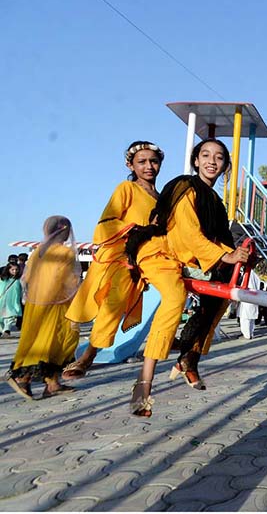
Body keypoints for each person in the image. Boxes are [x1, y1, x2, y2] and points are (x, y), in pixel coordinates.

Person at [124, 138, 250, 417]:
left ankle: (189, 358)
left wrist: (237, 256)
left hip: (189, 256)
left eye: (218, 157)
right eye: (205, 155)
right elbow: (188, 233)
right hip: (161, 252)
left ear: (225, 165)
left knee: (221, 294)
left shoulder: (215, 201)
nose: (211, 161)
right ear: (195, 161)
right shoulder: (186, 186)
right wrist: (225, 256)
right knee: (175, 299)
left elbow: (218, 239)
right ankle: (143, 385)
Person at [63, 140, 163, 379]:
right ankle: (87, 357)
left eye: (153, 161)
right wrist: (139, 229)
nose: (149, 166)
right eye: (142, 162)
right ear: (131, 165)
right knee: (112, 307)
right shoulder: (126, 189)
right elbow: (107, 223)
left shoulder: (163, 198)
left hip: (153, 259)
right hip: (124, 258)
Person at [5, 216, 81, 400]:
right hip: (57, 304)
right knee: (59, 340)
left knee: (35, 338)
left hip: (35, 304)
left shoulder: (38, 251)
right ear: (64, 231)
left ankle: (52, 383)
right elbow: (68, 280)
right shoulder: (65, 253)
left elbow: (28, 277)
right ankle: (24, 377)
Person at [238, 270, 262, 340]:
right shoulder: (255, 275)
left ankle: (246, 335)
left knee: (245, 318)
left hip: (247, 298)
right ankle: (250, 333)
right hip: (253, 298)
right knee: (251, 318)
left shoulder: (248, 275)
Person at [0, 263, 23, 337]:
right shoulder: (2, 279)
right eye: (12, 269)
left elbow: (23, 290)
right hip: (2, 300)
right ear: (8, 269)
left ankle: (7, 330)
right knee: (1, 317)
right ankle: (2, 330)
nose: (15, 271)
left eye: (16, 269)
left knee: (11, 316)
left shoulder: (19, 279)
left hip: (13, 301)